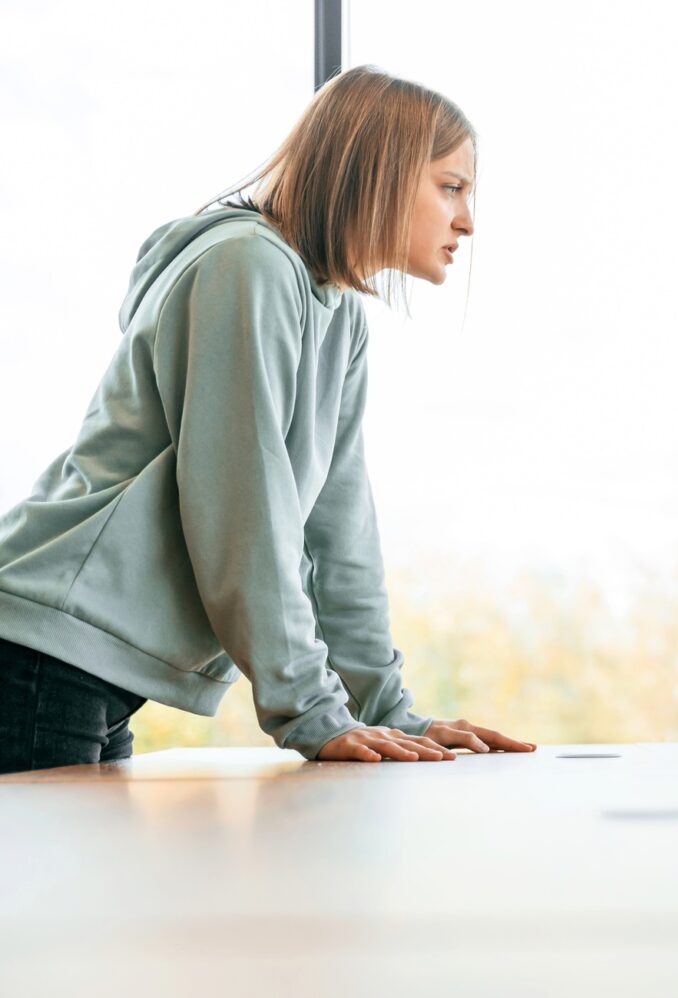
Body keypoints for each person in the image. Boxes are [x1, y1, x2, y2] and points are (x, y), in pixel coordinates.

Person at [0, 66, 536, 774]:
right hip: (40, 653)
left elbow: (339, 533)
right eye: (451, 187)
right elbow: (242, 511)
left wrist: (384, 710)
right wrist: (310, 712)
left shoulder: (338, 312)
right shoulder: (246, 268)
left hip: (82, 671)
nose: (466, 220)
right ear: (381, 171)